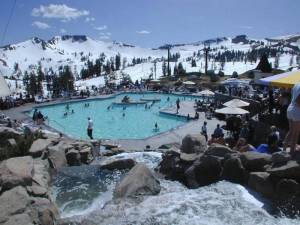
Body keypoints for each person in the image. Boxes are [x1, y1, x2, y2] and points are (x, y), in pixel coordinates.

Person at [283, 82, 300, 156]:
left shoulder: (296, 84)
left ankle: (284, 149)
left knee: (291, 131)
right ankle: (292, 152)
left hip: (290, 108)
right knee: (296, 133)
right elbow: (298, 101)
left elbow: (292, 96)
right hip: (296, 110)